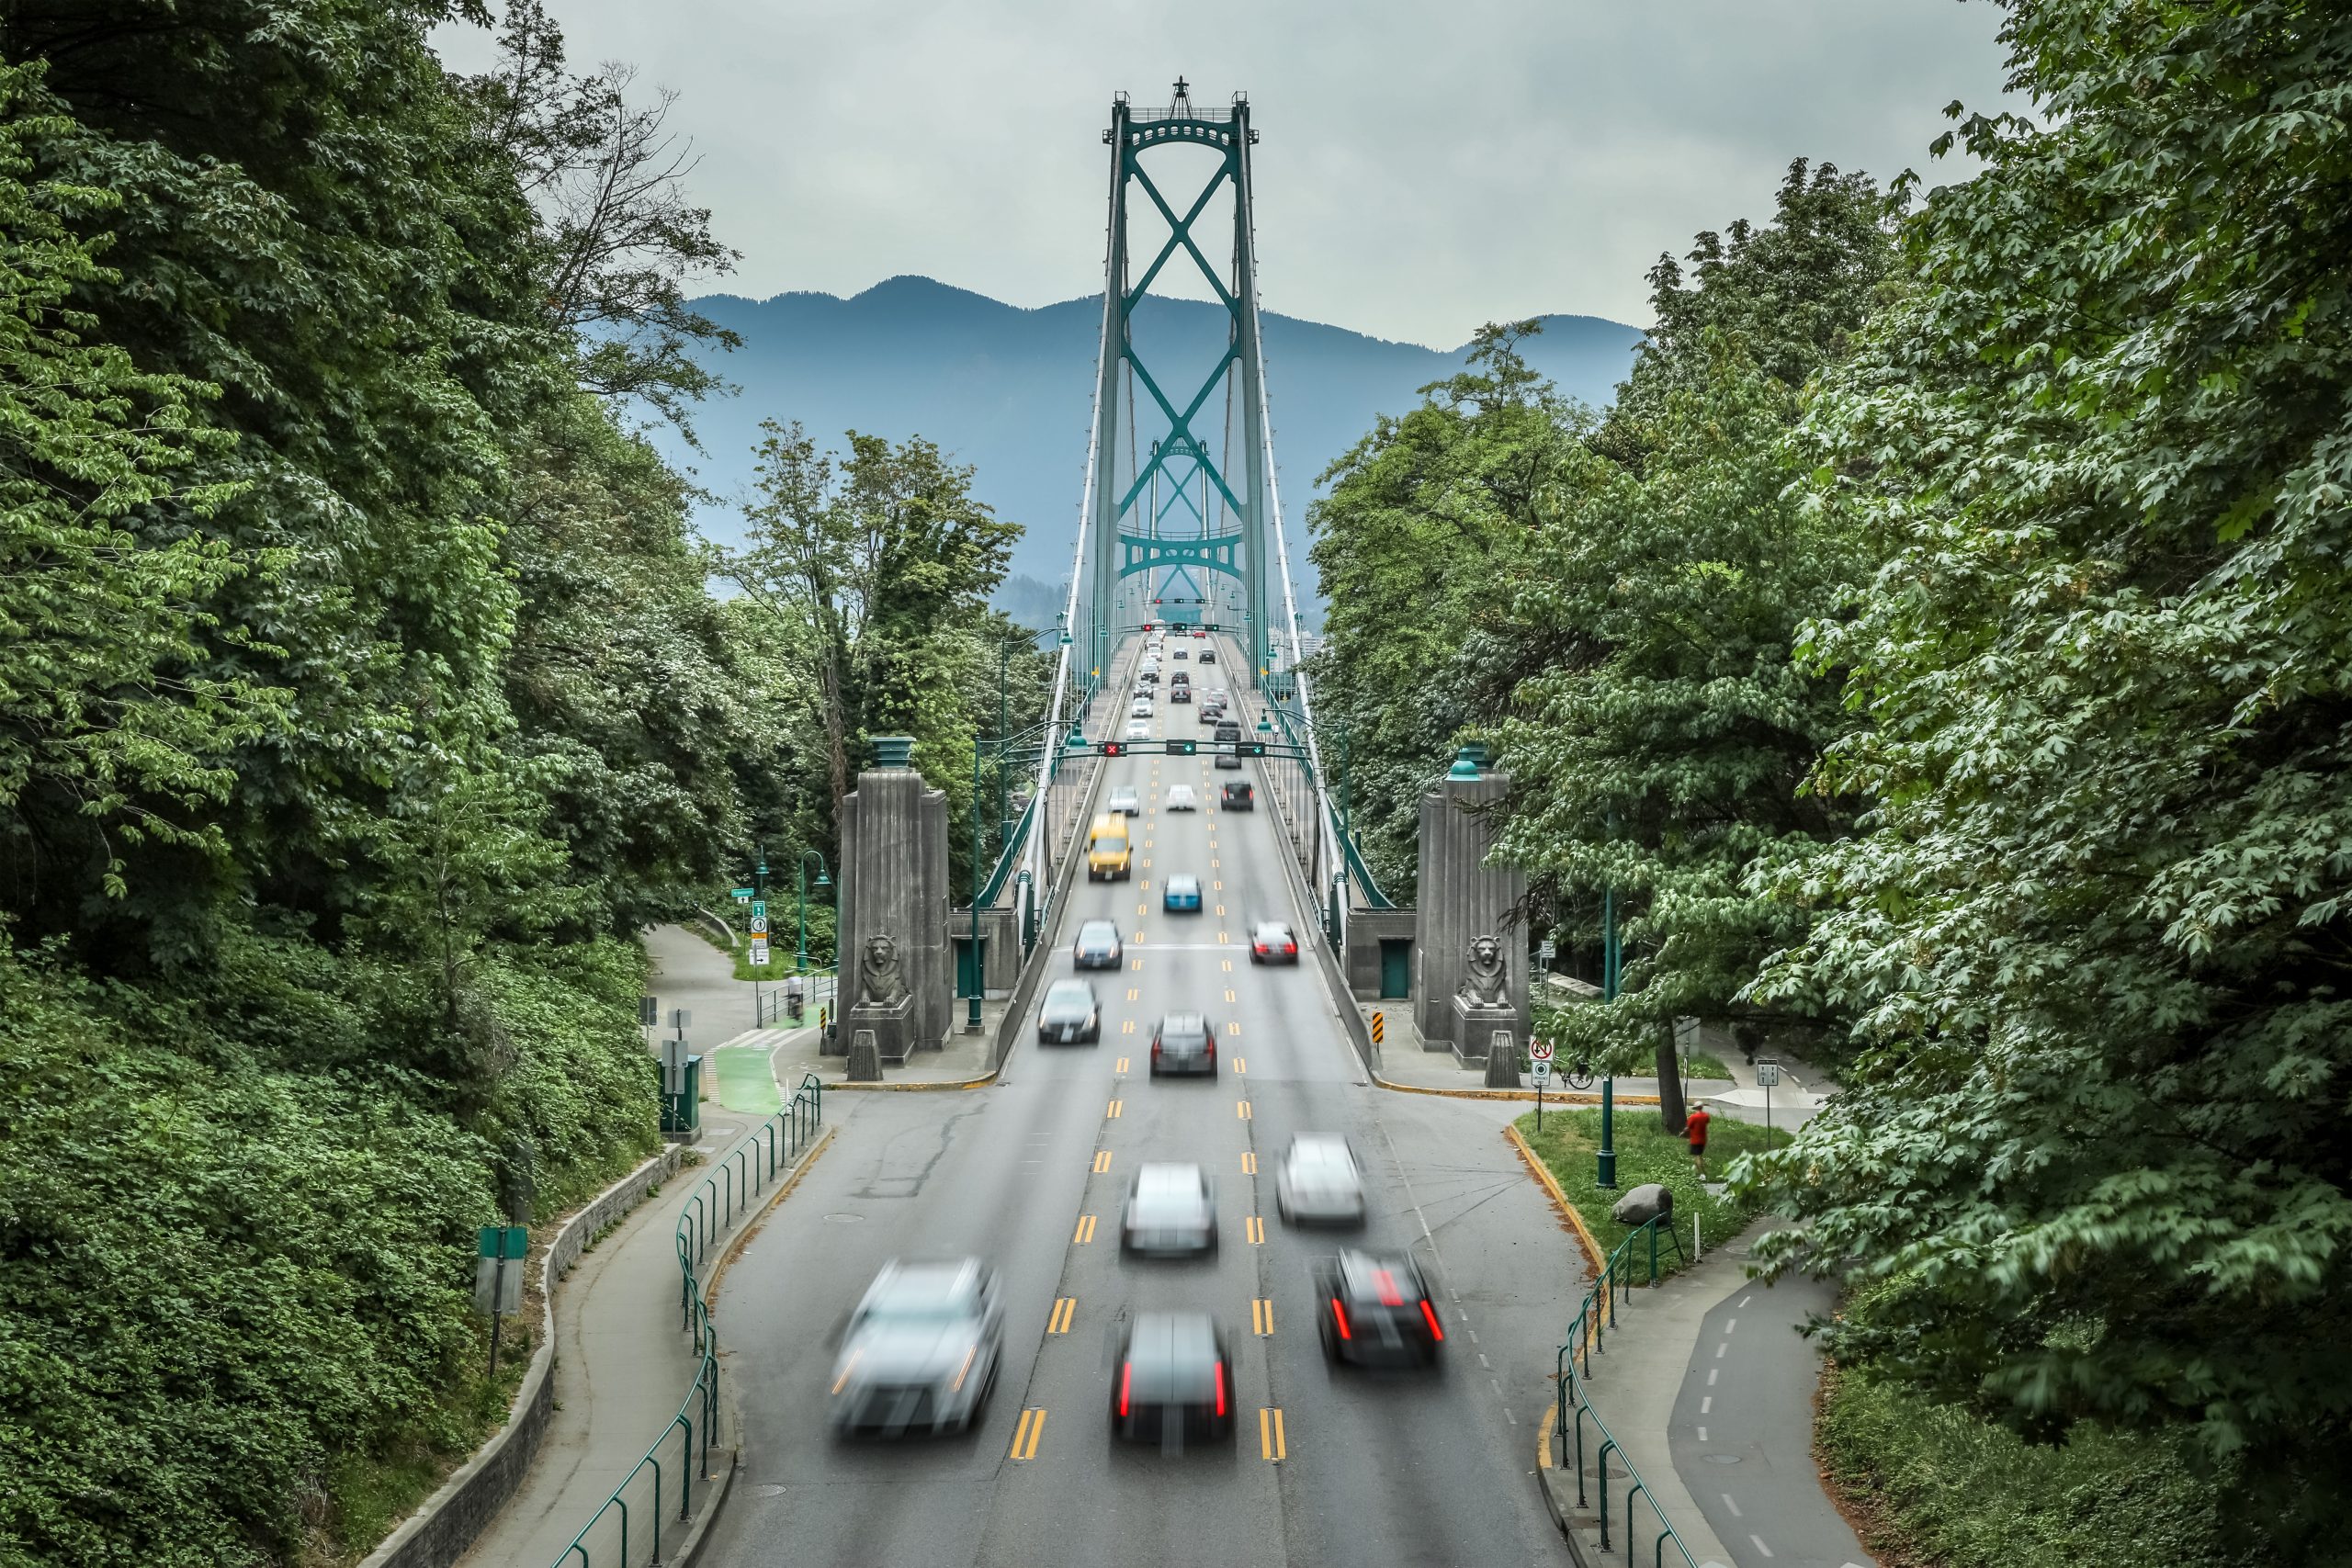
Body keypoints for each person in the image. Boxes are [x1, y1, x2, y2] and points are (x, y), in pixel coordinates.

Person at [1685, 1104, 1713, 1178]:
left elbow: (1688, 1127)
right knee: (1699, 1155)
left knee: (1698, 1156)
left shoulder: (1693, 1117)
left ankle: (1702, 1173)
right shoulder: (1706, 1116)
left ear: (1695, 1108)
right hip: (1703, 1139)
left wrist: (1682, 1132)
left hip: (1695, 1140)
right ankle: (1695, 1167)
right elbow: (1707, 1124)